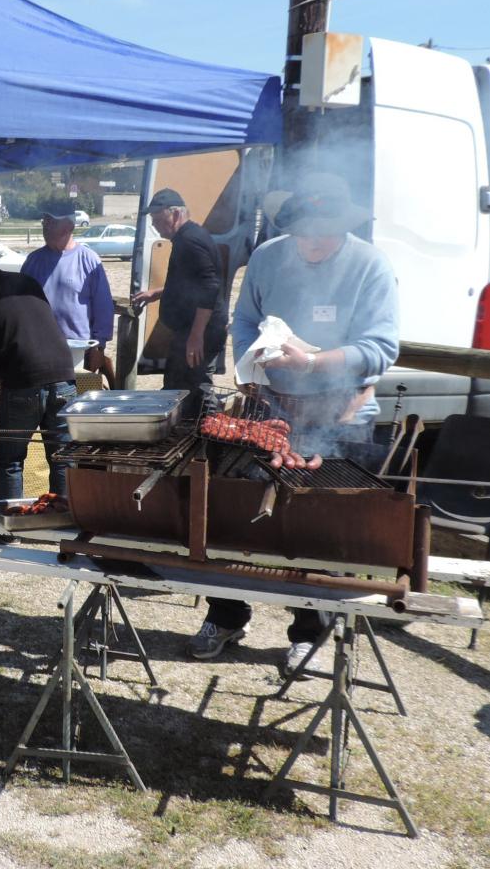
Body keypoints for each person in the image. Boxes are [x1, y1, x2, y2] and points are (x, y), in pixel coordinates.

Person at [186, 172, 400, 676]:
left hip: (340, 411)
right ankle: (227, 612)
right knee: (237, 513)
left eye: (325, 230)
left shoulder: (370, 265)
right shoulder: (267, 257)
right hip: (272, 405)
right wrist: (249, 368)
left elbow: (382, 348)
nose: (314, 241)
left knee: (318, 527)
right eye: (306, 230)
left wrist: (315, 361)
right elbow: (244, 319)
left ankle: (310, 631)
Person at [0, 253, 77, 500]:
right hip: (65, 375)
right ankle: (64, 523)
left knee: (11, 461)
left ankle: (10, 530)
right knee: (61, 458)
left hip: (24, 382)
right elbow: (23, 326)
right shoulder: (26, 282)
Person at [130, 188, 228, 417]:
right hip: (190, 329)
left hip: (200, 331)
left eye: (157, 218)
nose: (154, 224)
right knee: (177, 387)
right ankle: (181, 432)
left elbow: (210, 287)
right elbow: (191, 282)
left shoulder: (190, 241)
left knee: (197, 388)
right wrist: (158, 293)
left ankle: (210, 440)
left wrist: (196, 335)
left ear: (174, 214)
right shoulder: (186, 237)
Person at [20, 203, 114, 378]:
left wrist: (99, 347)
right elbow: (21, 307)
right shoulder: (33, 261)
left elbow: (103, 308)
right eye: (44, 222)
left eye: (51, 222)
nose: (45, 227)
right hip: (39, 348)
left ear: (69, 226)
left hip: (78, 351)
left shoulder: (89, 260)